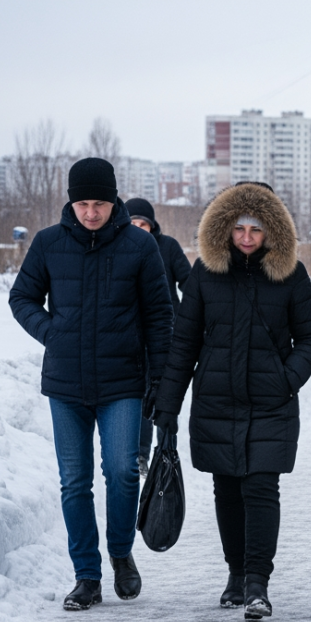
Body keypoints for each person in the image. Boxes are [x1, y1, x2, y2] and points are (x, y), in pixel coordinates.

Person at [153, 182, 311, 621]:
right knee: (227, 489)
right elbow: (184, 343)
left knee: (262, 488)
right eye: (239, 227)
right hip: (217, 400)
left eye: (257, 228)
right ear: (225, 228)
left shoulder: (291, 274)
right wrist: (167, 406)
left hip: (271, 402)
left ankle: (257, 584)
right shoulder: (205, 274)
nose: (247, 237)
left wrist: (287, 379)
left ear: (273, 231)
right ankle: (235, 573)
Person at [9, 158, 173, 611]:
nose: (91, 213)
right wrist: (52, 332)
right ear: (71, 201)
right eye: (82, 203)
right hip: (65, 384)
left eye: (99, 203)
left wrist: (160, 378)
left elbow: (161, 316)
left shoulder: (140, 246)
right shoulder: (48, 243)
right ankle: (86, 576)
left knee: (122, 472)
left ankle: (120, 553)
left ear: (113, 200)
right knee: (73, 482)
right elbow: (21, 296)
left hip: (123, 381)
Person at [124, 197, 192, 477]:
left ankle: (165, 452)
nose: (139, 228)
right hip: (132, 333)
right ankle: (140, 454)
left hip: (166, 333)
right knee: (140, 393)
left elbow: (190, 284)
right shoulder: (120, 247)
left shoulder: (168, 247)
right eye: (133, 223)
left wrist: (189, 319)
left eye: (144, 224)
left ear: (153, 225)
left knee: (165, 394)